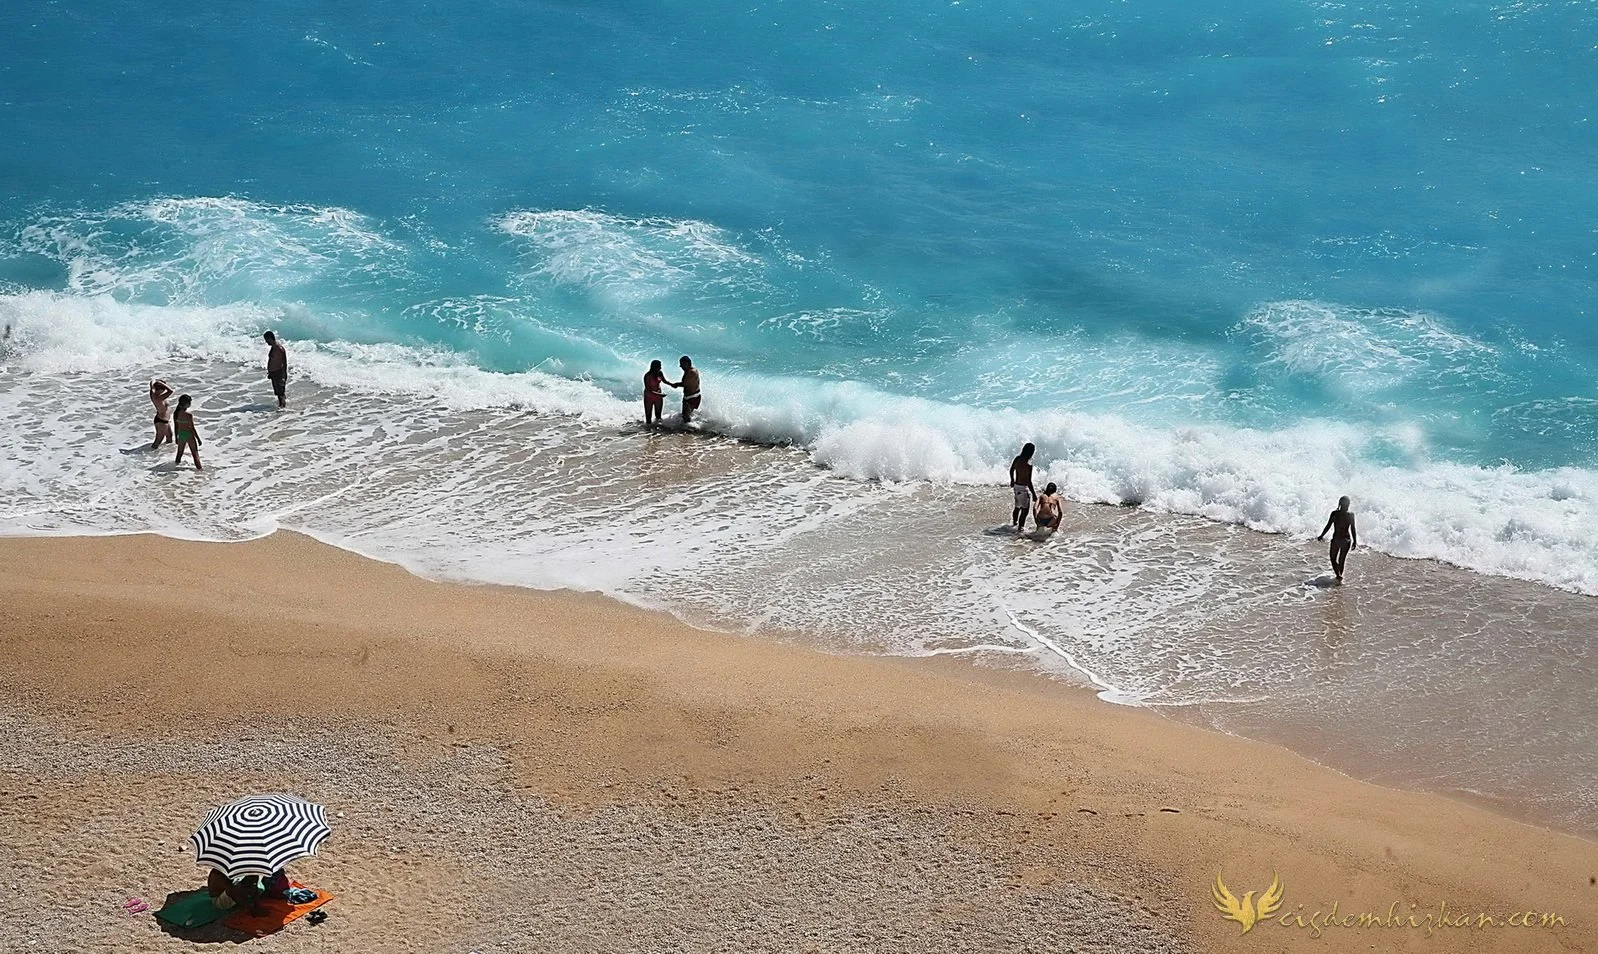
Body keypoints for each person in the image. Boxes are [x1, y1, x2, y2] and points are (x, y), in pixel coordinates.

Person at [1316, 495, 1358, 582]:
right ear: (1348, 504)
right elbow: (1353, 529)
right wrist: (1355, 541)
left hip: (1336, 539)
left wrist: (1322, 535)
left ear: (1340, 503)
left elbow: (1328, 526)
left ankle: (1338, 575)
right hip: (1346, 540)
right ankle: (1339, 578)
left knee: (1333, 558)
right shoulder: (1351, 515)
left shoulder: (1335, 514)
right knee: (1342, 560)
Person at [1009, 443, 1037, 532]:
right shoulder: (1028, 464)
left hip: (1016, 486)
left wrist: (1012, 480)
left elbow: (1011, 470)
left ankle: (1014, 523)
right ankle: (1020, 528)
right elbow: (1028, 481)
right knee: (1025, 511)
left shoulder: (1017, 459)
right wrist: (1034, 494)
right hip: (1024, 489)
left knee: (1017, 507)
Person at [172, 395, 202, 471]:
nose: (190, 404)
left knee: (179, 453)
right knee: (195, 454)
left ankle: (174, 467)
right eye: (189, 402)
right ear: (186, 404)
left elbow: (176, 427)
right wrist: (198, 439)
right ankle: (200, 471)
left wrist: (176, 437)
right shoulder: (188, 415)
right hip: (189, 435)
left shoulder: (176, 413)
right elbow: (192, 428)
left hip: (181, 435)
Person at [264, 332, 288, 409]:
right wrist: (270, 372)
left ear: (270, 338)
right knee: (278, 392)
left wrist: (283, 375)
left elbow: (284, 362)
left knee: (280, 393)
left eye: (267, 340)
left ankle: (282, 408)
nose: (266, 342)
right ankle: (281, 406)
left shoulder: (279, 348)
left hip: (278, 373)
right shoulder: (273, 347)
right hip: (274, 373)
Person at [674, 355, 701, 424]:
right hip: (693, 395)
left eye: (682, 364)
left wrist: (676, 384)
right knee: (686, 415)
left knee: (686, 417)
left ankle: (690, 429)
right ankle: (692, 427)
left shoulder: (691, 372)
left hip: (691, 397)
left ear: (687, 363)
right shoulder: (690, 370)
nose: (680, 366)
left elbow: (684, 384)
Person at [149, 379, 174, 450]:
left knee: (169, 436)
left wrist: (156, 382)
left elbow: (151, 383)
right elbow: (171, 391)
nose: (165, 390)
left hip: (164, 420)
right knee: (158, 440)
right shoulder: (159, 397)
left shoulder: (153, 394)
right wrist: (161, 383)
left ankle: (166, 452)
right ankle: (151, 452)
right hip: (161, 421)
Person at [643, 360, 670, 427]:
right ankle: (648, 431)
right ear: (654, 367)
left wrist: (673, 384)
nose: (660, 368)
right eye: (659, 366)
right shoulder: (647, 375)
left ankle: (658, 431)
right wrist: (660, 395)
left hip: (658, 396)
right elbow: (649, 390)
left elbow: (665, 381)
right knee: (648, 417)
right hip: (649, 396)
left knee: (658, 416)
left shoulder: (660, 373)